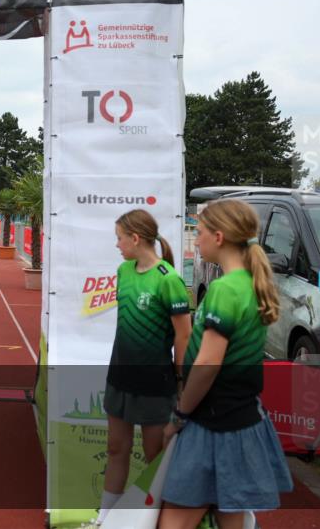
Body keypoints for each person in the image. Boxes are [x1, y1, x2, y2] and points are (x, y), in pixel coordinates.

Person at [158, 199, 292, 529]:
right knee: (230, 515)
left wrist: (180, 415)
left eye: (200, 232)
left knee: (174, 521)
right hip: (243, 420)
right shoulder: (249, 282)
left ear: (218, 237)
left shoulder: (224, 289)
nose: (197, 239)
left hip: (211, 421)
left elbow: (208, 364)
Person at [95, 210, 191, 526]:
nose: (117, 245)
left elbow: (184, 335)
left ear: (135, 239)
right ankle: (105, 519)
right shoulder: (123, 271)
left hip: (154, 384)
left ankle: (155, 522)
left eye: (119, 238)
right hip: (119, 378)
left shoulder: (169, 279)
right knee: (115, 449)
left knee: (155, 460)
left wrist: (180, 382)